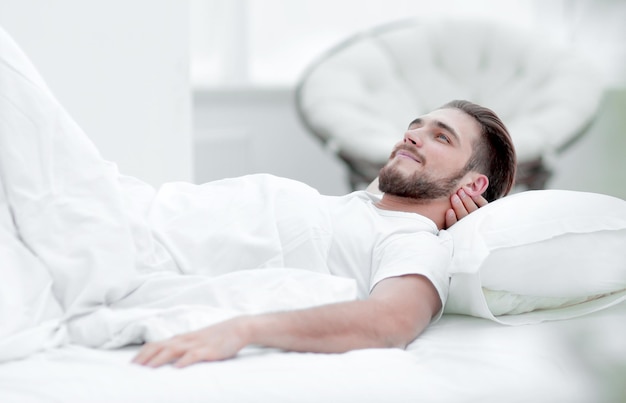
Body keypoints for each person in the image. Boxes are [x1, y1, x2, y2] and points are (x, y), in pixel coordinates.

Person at [132, 99, 517, 368]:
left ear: (473, 184)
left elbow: (390, 321)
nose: (411, 136)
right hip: (143, 211)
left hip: (141, 250)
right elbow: (395, 184)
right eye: (414, 127)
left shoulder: (414, 242)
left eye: (441, 137)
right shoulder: (367, 207)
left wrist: (246, 329)